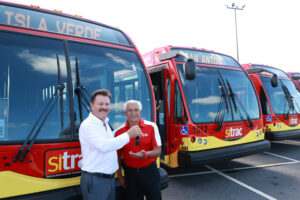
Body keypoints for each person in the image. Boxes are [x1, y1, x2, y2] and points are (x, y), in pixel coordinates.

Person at [79, 89, 142, 200]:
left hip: (107, 179)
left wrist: (125, 127)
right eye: (100, 104)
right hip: (96, 180)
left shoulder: (103, 122)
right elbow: (104, 145)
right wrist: (128, 134)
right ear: (92, 105)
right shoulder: (88, 125)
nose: (104, 107)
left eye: (107, 104)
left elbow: (110, 138)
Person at [115, 100, 162, 200]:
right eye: (130, 110)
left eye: (136, 110)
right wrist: (120, 176)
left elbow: (158, 151)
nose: (133, 113)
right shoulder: (119, 132)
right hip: (130, 174)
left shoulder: (152, 127)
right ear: (125, 113)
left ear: (140, 112)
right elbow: (117, 156)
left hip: (150, 172)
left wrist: (145, 154)